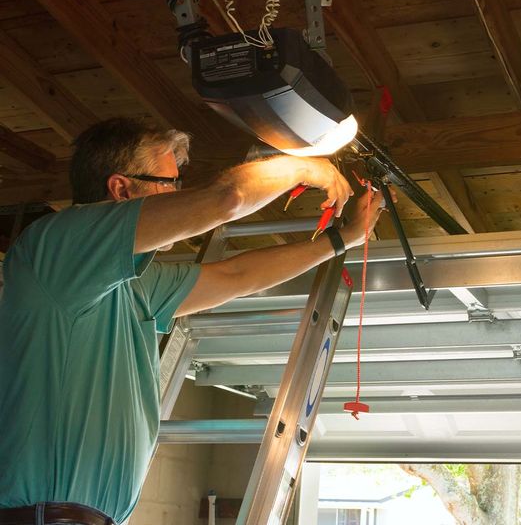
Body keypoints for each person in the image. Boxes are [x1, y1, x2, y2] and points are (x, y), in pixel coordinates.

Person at [0, 118, 385, 525]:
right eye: (168, 183)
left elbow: (235, 277)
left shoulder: (135, 282)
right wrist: (307, 167)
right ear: (121, 188)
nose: (177, 194)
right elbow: (227, 198)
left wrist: (342, 239)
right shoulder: (57, 249)